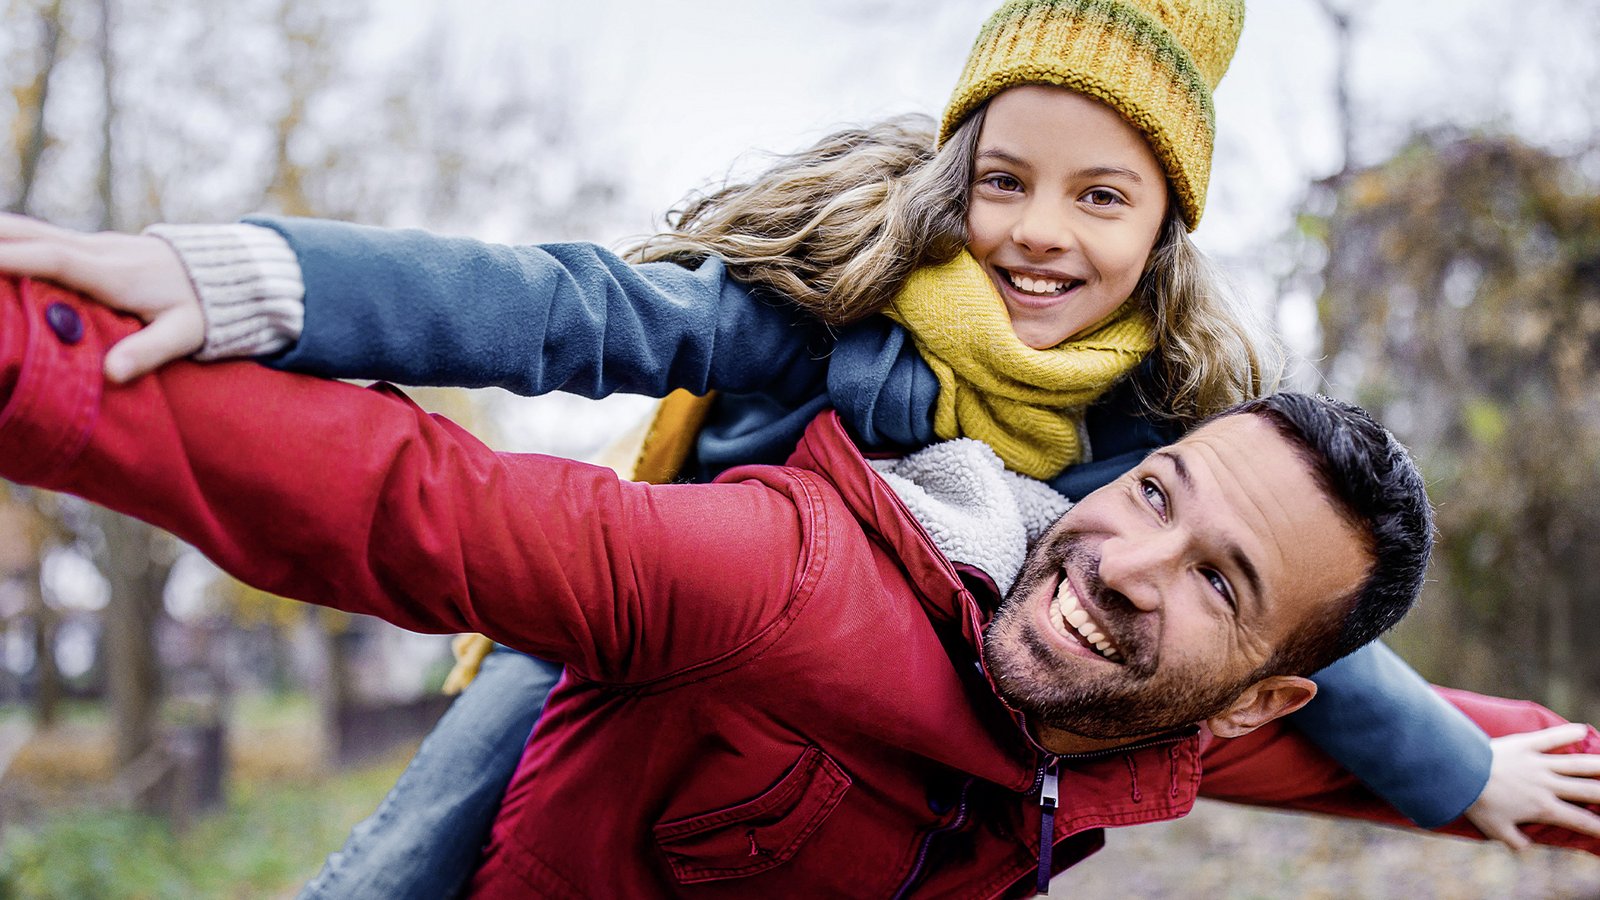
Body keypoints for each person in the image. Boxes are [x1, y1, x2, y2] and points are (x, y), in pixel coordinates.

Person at [1, 0, 1596, 893]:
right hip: (646, 596)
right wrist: (241, 280)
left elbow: (1312, 634)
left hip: (892, 702)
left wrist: (1471, 773)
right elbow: (557, 315)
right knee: (416, 849)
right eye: (1008, 181)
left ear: (1168, 226)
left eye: (1101, 197)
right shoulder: (833, 314)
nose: (1039, 236)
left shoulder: (1158, 437)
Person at [1, 274, 1598, 896]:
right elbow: (415, 503)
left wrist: (1481, 781)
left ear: (1262, 693)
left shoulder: (1149, 724)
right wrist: (44, 357)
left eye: (1221, 582)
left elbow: (1441, 754)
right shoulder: (770, 576)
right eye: (1155, 493)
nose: (1123, 563)